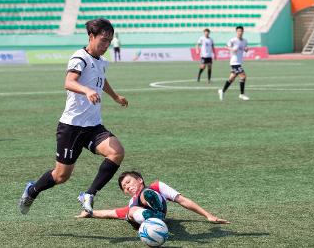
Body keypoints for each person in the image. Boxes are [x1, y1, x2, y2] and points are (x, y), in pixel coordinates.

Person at [19, 18, 129, 215]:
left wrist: (115, 96)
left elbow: (101, 80)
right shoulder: (79, 58)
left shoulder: (102, 61)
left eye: (109, 42)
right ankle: (32, 190)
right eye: (103, 40)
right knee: (61, 176)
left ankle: (89, 194)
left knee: (117, 152)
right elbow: (69, 82)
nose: (106, 45)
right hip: (72, 127)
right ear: (91, 36)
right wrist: (86, 91)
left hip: (93, 126)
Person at [76, 171, 230, 228]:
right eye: (124, 187)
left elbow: (183, 201)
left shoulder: (158, 186)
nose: (127, 187)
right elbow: (112, 213)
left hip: (158, 207)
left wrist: (208, 215)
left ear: (140, 180)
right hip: (143, 218)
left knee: (146, 193)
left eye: (129, 182)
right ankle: (151, 219)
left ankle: (156, 215)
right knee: (131, 211)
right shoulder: (131, 203)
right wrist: (90, 213)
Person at [218, 26, 250, 101]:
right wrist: (232, 49)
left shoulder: (245, 41)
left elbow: (245, 49)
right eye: (238, 31)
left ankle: (222, 91)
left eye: (241, 31)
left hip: (239, 62)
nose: (240, 32)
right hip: (234, 62)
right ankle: (242, 94)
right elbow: (226, 46)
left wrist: (246, 49)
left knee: (231, 78)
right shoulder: (233, 40)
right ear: (236, 32)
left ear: (243, 32)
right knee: (243, 76)